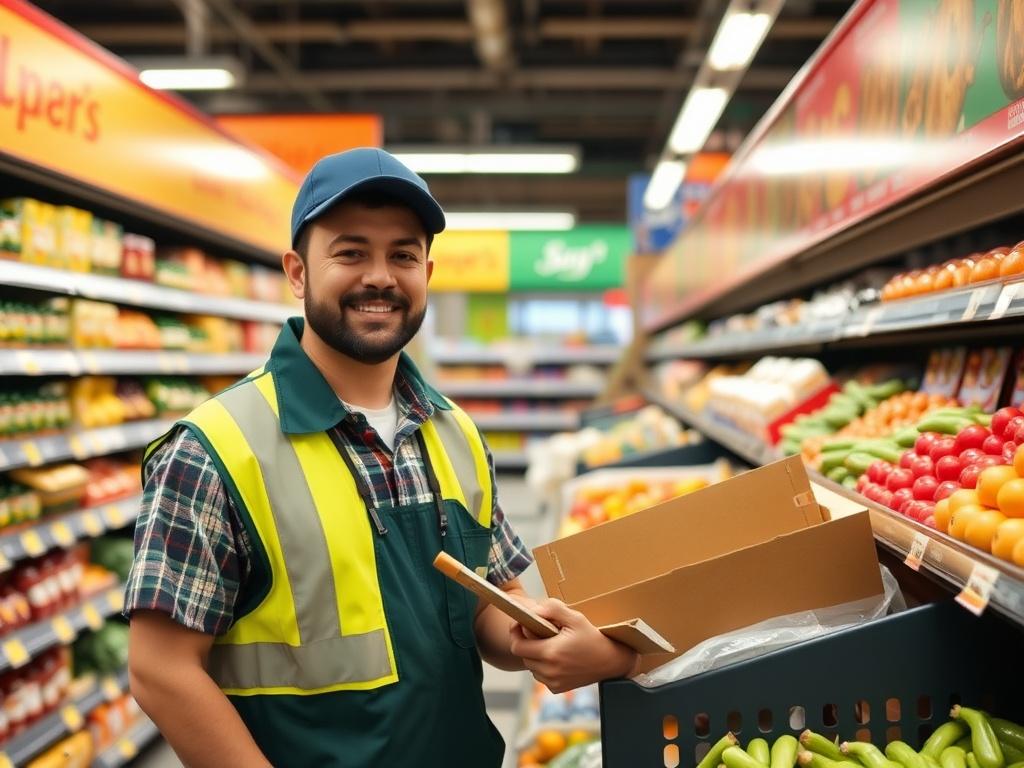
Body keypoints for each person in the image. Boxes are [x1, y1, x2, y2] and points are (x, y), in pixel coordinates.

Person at [125, 148, 639, 768]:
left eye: (402, 255)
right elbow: (160, 671)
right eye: (350, 253)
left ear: (427, 270)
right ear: (297, 272)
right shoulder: (215, 449)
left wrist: (545, 639)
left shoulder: (456, 435)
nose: (380, 277)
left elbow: (486, 605)